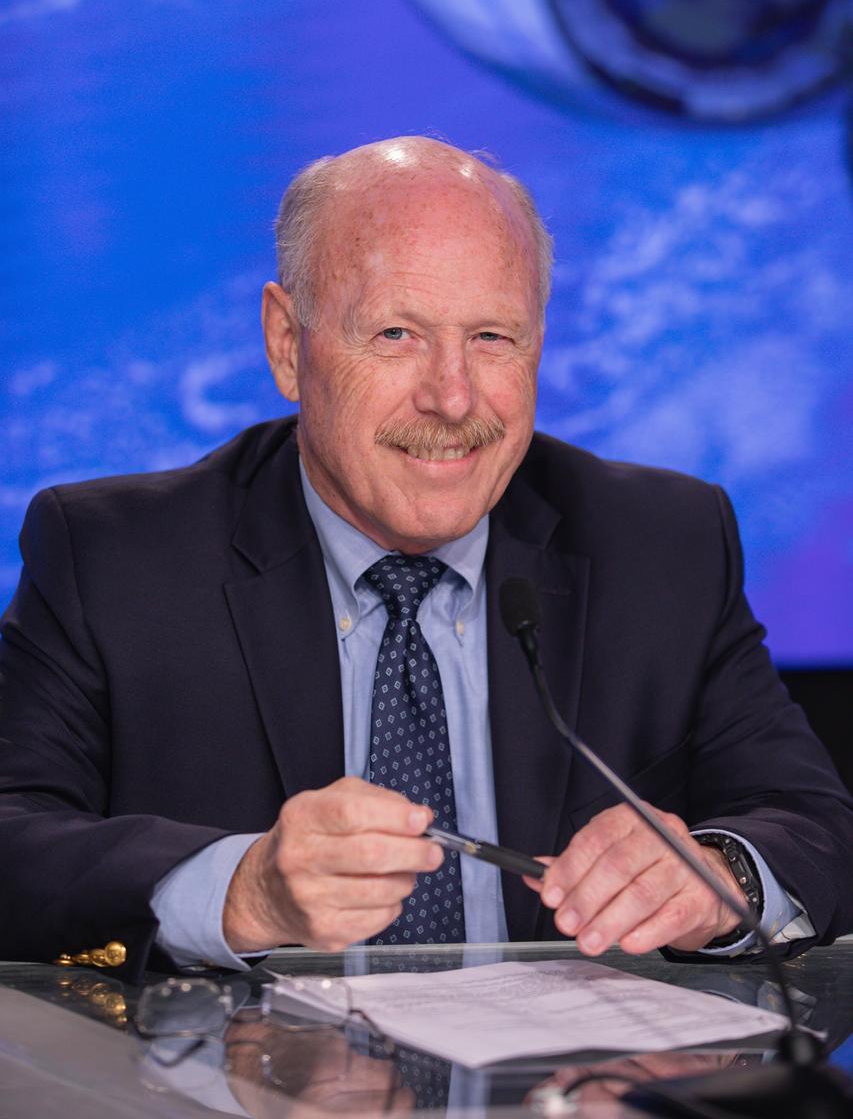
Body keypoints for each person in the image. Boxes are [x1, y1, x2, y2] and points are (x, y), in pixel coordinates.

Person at [1, 137, 850, 984]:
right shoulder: (116, 557)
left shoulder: (660, 542)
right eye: (396, 333)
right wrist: (240, 890)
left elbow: (812, 822)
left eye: (491, 337)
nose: (452, 397)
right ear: (288, 345)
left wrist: (719, 875)